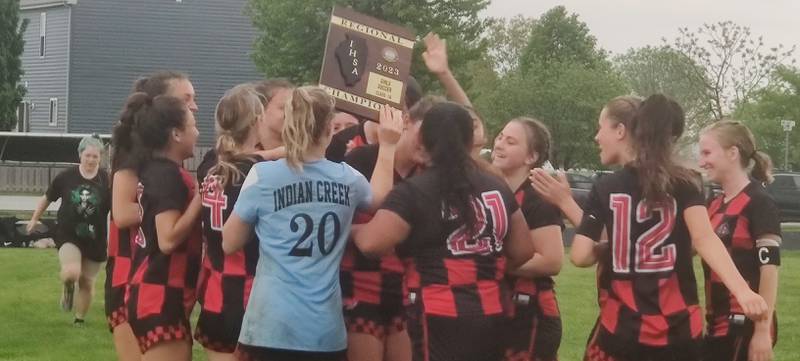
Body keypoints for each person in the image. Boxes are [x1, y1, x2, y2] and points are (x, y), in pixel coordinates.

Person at [538, 94, 767, 361]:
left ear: (630, 130)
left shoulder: (606, 187)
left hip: (624, 329)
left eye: (600, 127)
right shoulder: (687, 182)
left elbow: (580, 256)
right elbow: (703, 239)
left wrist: (621, 248)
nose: (597, 136)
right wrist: (742, 290)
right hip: (679, 329)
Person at [222, 86, 402, 361]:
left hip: (269, 325)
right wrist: (388, 146)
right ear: (330, 129)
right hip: (322, 331)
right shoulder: (347, 179)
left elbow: (230, 241)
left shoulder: (263, 175)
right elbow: (378, 199)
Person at [353, 101, 535, 361]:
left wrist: (351, 230)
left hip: (438, 311)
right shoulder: (497, 186)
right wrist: (482, 266)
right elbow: (523, 250)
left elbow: (372, 243)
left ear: (422, 139)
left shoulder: (416, 190)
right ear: (469, 140)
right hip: (493, 307)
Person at [193, 82, 290, 360]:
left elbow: (241, 158)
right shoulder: (260, 172)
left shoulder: (211, 166)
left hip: (216, 293)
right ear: (258, 120)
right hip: (251, 292)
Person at [108, 70, 198, 361]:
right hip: (133, 276)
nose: (194, 107)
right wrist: (175, 209)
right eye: (186, 99)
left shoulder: (162, 163)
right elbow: (122, 213)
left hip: (155, 276)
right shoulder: (137, 155)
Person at [698, 120, 781, 361]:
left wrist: (762, 331)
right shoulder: (713, 204)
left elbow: (769, 271)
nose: (702, 162)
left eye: (707, 153)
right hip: (716, 324)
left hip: (744, 324)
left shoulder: (758, 202)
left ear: (732, 153)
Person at [492, 117, 564, 361]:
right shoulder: (492, 190)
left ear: (531, 156)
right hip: (498, 307)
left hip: (530, 312)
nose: (499, 144)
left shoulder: (537, 198)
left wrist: (492, 263)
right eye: (500, 137)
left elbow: (552, 261)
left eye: (510, 141)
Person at [28, 135, 110, 326]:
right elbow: (47, 197)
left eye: (95, 156)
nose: (91, 160)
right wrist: (34, 218)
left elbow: (117, 211)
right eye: (87, 155)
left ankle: (79, 320)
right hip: (69, 235)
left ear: (100, 158)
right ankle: (67, 287)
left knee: (87, 282)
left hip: (95, 238)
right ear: (80, 155)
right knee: (72, 273)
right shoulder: (66, 177)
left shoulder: (107, 180)